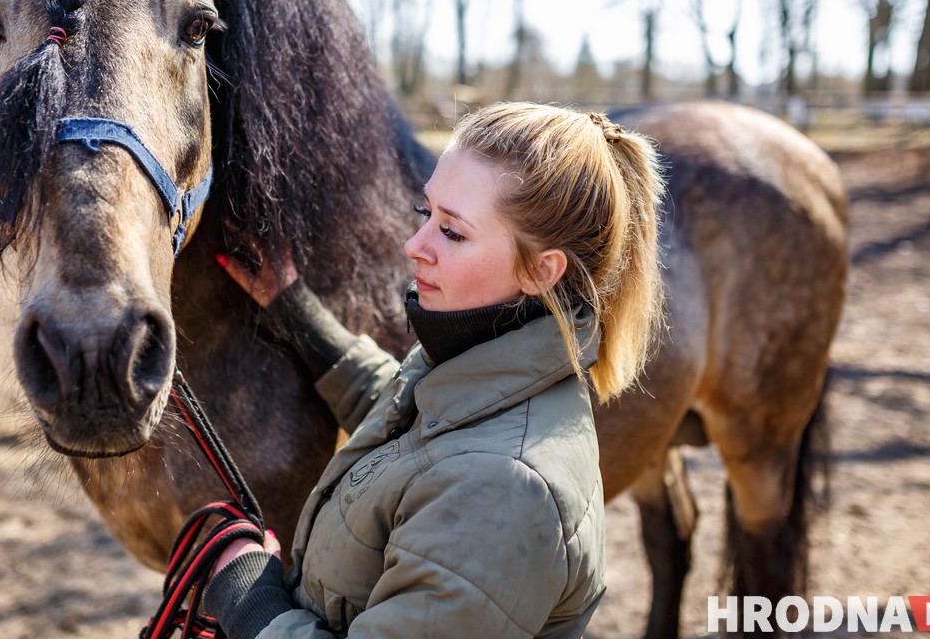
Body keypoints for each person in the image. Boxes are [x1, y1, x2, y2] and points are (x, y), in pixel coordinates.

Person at [201, 102, 665, 638]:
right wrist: (295, 309)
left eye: (453, 232)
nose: (414, 245)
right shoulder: (487, 364)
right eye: (427, 213)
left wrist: (251, 603)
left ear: (541, 270)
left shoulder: (505, 492)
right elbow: (411, 421)